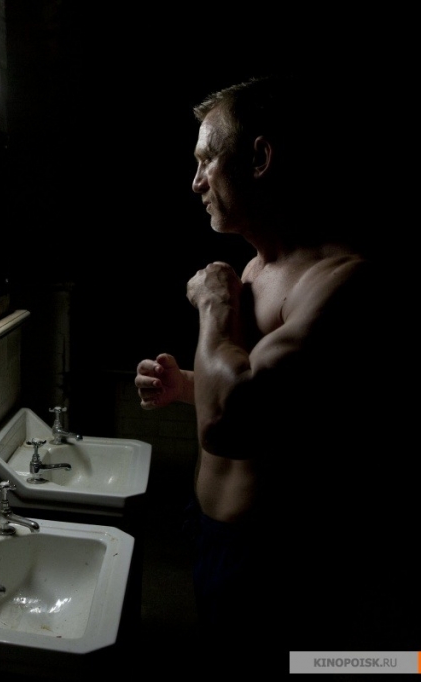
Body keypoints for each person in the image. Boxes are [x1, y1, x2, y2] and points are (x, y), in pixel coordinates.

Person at [134, 75, 414, 655]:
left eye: (207, 160)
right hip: (211, 532)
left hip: (276, 561)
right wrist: (185, 386)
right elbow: (275, 402)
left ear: (260, 158)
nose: (195, 182)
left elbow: (231, 423)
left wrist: (213, 304)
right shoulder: (257, 270)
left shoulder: (341, 282)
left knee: (293, 673)